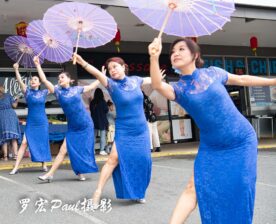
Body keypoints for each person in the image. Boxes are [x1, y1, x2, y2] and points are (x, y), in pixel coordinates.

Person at [148, 37, 276, 224]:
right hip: (212, 147)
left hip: (241, 140)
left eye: (181, 49)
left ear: (195, 55)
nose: (175, 53)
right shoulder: (179, 89)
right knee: (193, 187)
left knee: (241, 186)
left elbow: (241, 79)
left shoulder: (213, 73)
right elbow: (158, 85)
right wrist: (153, 57)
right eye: (173, 51)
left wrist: (273, 81)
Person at [73, 54, 160, 207]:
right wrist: (83, 62)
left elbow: (153, 79)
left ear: (123, 66)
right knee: (113, 159)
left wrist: (157, 74)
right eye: (109, 68)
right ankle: (98, 192)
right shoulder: (111, 84)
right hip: (124, 129)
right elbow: (96, 73)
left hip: (141, 129)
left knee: (143, 161)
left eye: (115, 67)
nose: (112, 70)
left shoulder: (136, 80)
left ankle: (138, 193)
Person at [33, 57, 99, 182]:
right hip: (73, 127)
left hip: (85, 124)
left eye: (62, 77)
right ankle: (50, 174)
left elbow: (92, 86)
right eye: (59, 78)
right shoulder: (57, 91)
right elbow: (44, 80)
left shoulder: (76, 89)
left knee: (81, 148)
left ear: (70, 79)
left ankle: (79, 172)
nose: (60, 79)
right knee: (63, 150)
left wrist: (101, 76)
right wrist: (37, 65)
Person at [9, 63, 51, 175]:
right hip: (31, 123)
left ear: (39, 83)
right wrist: (16, 70)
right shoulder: (27, 92)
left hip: (42, 122)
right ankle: (16, 167)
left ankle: (44, 164)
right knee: (23, 143)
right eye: (31, 79)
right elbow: (19, 81)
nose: (32, 81)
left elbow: (48, 83)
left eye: (35, 79)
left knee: (42, 142)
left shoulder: (44, 92)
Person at [0, 84, 20, 161]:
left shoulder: (7, 95)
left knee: (3, 138)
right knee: (13, 137)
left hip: (1, 116)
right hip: (11, 116)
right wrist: (17, 99)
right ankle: (16, 155)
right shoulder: (8, 95)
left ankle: (5, 157)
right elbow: (14, 105)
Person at [90, 88, 109, 156]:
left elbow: (91, 111)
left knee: (93, 136)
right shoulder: (103, 102)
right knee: (102, 136)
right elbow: (106, 110)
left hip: (94, 121)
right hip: (102, 121)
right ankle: (101, 150)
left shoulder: (92, 102)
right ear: (101, 94)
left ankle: (92, 150)